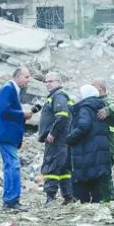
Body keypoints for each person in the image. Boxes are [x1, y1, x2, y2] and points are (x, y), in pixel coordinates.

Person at [0, 67, 32, 210]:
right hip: (5, 134)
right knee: (13, 165)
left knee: (11, 165)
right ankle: (11, 200)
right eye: (26, 77)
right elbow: (4, 111)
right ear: (18, 77)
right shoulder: (8, 88)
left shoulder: (11, 89)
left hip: (7, 135)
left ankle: (10, 200)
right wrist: (22, 114)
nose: (29, 80)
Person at [66, 84, 114, 203]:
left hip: (86, 152)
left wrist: (69, 138)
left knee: (82, 185)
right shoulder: (101, 107)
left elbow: (83, 127)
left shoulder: (85, 108)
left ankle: (84, 205)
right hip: (98, 152)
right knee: (97, 186)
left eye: (80, 93)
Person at [37, 72, 73, 205]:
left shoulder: (58, 95)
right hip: (62, 139)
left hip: (57, 139)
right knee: (63, 169)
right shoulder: (56, 96)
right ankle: (68, 197)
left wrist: (52, 133)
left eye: (51, 81)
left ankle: (50, 197)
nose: (48, 84)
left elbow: (62, 115)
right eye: (46, 81)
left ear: (59, 82)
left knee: (51, 166)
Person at [93, 79, 114, 201]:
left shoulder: (108, 102)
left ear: (101, 88)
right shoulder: (95, 102)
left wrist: (107, 110)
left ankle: (110, 199)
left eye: (93, 86)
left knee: (104, 171)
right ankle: (102, 198)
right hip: (99, 144)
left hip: (108, 143)